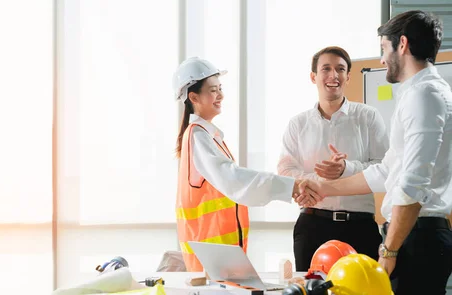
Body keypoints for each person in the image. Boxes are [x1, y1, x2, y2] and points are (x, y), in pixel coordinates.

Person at [297, 10, 452, 295]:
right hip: (410, 233)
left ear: (402, 45)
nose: (382, 60)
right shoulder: (416, 95)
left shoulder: (424, 96)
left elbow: (413, 183)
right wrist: (324, 187)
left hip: (418, 236)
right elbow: (386, 172)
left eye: (384, 48)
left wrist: (389, 251)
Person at [173, 57, 319, 271]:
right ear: (194, 96)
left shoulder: (207, 136)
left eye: (220, 88)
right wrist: (290, 186)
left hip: (217, 254)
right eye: (213, 90)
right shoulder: (198, 136)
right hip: (211, 255)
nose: (221, 95)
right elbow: (233, 179)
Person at [277, 46, 389, 271]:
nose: (333, 75)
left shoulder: (368, 117)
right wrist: (318, 179)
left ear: (348, 76)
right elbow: (286, 170)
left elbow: (385, 168)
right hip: (312, 224)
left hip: (360, 226)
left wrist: (346, 169)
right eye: (326, 69)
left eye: (340, 69)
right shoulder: (297, 124)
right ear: (313, 77)